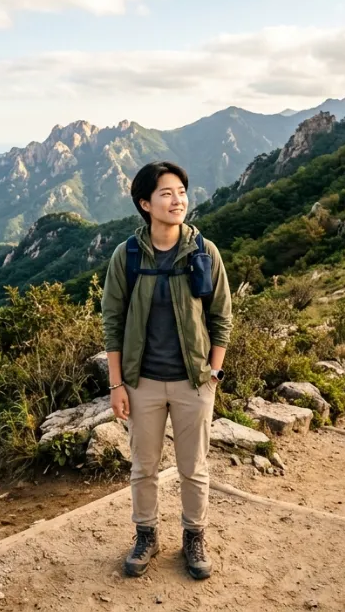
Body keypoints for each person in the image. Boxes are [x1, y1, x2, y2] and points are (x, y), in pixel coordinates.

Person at [100, 160, 232, 580]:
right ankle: (146, 535)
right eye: (166, 193)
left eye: (181, 191)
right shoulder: (128, 255)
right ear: (145, 203)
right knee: (143, 466)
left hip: (194, 381)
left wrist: (213, 374)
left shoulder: (203, 252)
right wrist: (117, 384)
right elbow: (112, 321)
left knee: (194, 467)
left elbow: (222, 318)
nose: (178, 200)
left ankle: (194, 536)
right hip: (143, 383)